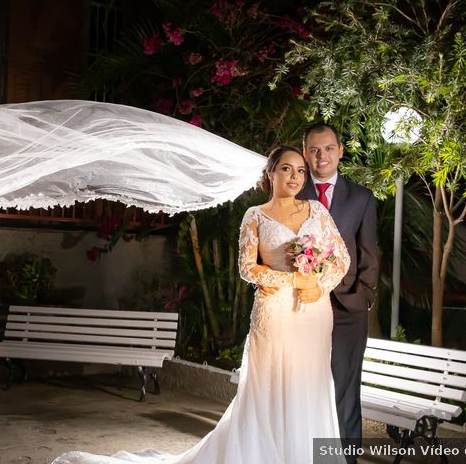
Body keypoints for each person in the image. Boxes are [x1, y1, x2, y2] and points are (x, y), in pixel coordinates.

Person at [52, 145, 351, 464]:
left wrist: (318, 284)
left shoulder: (317, 211)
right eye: (286, 169)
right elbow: (248, 268)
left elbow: (341, 259)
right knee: (271, 387)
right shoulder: (256, 216)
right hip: (274, 314)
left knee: (310, 384)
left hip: (313, 314)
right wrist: (294, 280)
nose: (294, 176)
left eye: (300, 170)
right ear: (270, 173)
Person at [301, 123, 379, 463]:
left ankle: (345, 460)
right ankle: (307, 454)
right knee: (305, 386)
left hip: (347, 308)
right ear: (305, 153)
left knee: (345, 389)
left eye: (328, 148)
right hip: (300, 309)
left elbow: (370, 255)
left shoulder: (361, 198)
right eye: (315, 150)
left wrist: (362, 298)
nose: (322, 156)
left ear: (340, 151)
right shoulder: (291, 192)